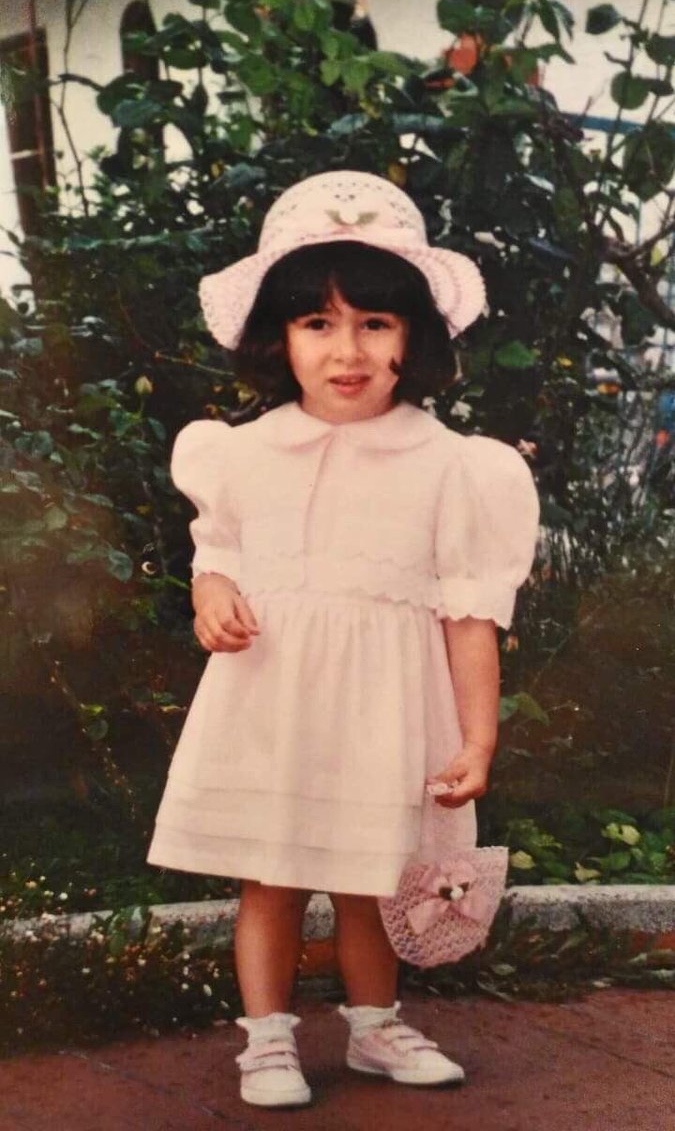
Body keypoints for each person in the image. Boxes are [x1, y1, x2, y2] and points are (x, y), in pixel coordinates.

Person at [147, 171, 540, 1109]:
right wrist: (211, 592)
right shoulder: (240, 454)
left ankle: (373, 1028)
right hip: (274, 703)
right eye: (317, 323)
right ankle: (267, 1042)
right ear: (278, 339)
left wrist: (477, 739)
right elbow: (218, 554)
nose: (347, 349)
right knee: (271, 877)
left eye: (374, 323)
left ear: (414, 338)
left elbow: (469, 615)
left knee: (370, 876)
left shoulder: (452, 467)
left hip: (382, 711)